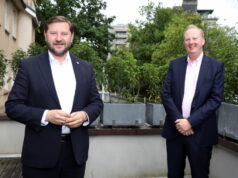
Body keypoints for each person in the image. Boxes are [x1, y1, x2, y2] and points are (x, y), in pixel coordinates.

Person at [5, 16, 103, 178]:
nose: (58, 39)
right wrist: (46, 115)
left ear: (71, 36)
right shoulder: (29, 66)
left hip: (75, 155)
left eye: (64, 34)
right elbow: (13, 106)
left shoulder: (85, 68)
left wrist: (85, 115)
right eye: (53, 33)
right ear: (45, 35)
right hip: (39, 156)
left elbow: (96, 103)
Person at [161, 24, 224, 178]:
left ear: (202, 41)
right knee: (174, 174)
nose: (191, 42)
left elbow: (215, 99)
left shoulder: (216, 66)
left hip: (201, 133)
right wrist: (180, 121)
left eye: (194, 38)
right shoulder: (174, 65)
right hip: (175, 132)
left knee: (200, 175)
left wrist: (190, 122)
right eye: (187, 39)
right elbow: (166, 94)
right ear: (184, 43)